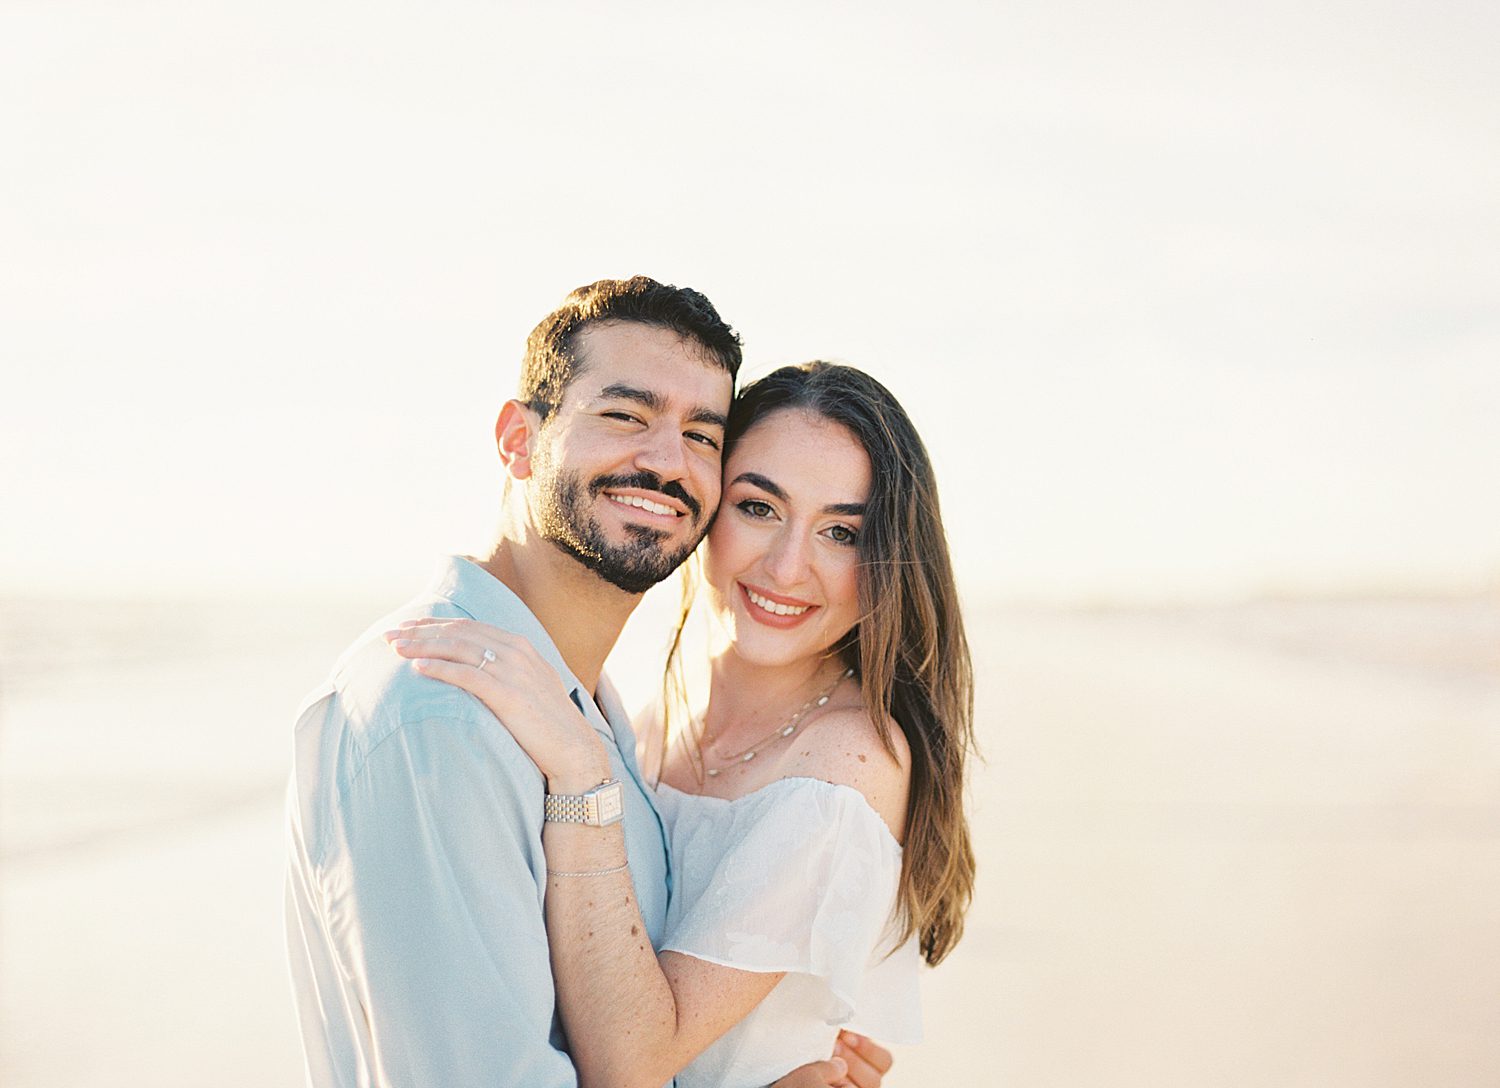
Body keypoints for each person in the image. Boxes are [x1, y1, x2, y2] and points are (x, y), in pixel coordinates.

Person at [285, 279, 885, 1087]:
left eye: (702, 436)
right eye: (627, 416)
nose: (667, 461)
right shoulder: (440, 717)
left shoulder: (589, 714)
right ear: (519, 440)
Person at [389, 362, 977, 1088]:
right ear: (702, 505)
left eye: (841, 533)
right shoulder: (658, 712)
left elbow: (630, 1062)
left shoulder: (844, 771)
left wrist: (583, 774)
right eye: (759, 508)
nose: (789, 568)